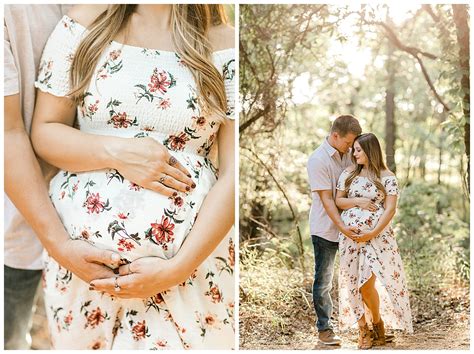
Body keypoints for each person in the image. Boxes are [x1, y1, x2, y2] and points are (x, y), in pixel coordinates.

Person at [31, 4, 235, 349]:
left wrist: (179, 268)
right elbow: (45, 133)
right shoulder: (82, 26)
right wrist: (117, 151)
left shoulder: (226, 45)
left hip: (190, 274)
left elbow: (234, 173)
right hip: (83, 273)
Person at [335, 133, 413, 349]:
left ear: (371, 151)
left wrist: (373, 232)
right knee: (353, 283)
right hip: (351, 239)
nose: (354, 153)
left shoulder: (387, 176)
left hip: (377, 238)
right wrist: (358, 201)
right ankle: (366, 331)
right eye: (354, 149)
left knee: (367, 284)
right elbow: (339, 201)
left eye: (359, 149)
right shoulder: (349, 174)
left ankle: (377, 323)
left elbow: (390, 209)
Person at [306, 115, 362, 345]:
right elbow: (328, 201)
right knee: (324, 281)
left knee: (360, 277)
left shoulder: (351, 154)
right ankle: (325, 329)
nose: (351, 148)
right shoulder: (317, 160)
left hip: (354, 226)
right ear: (335, 135)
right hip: (325, 229)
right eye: (348, 143)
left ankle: (366, 324)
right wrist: (343, 229)